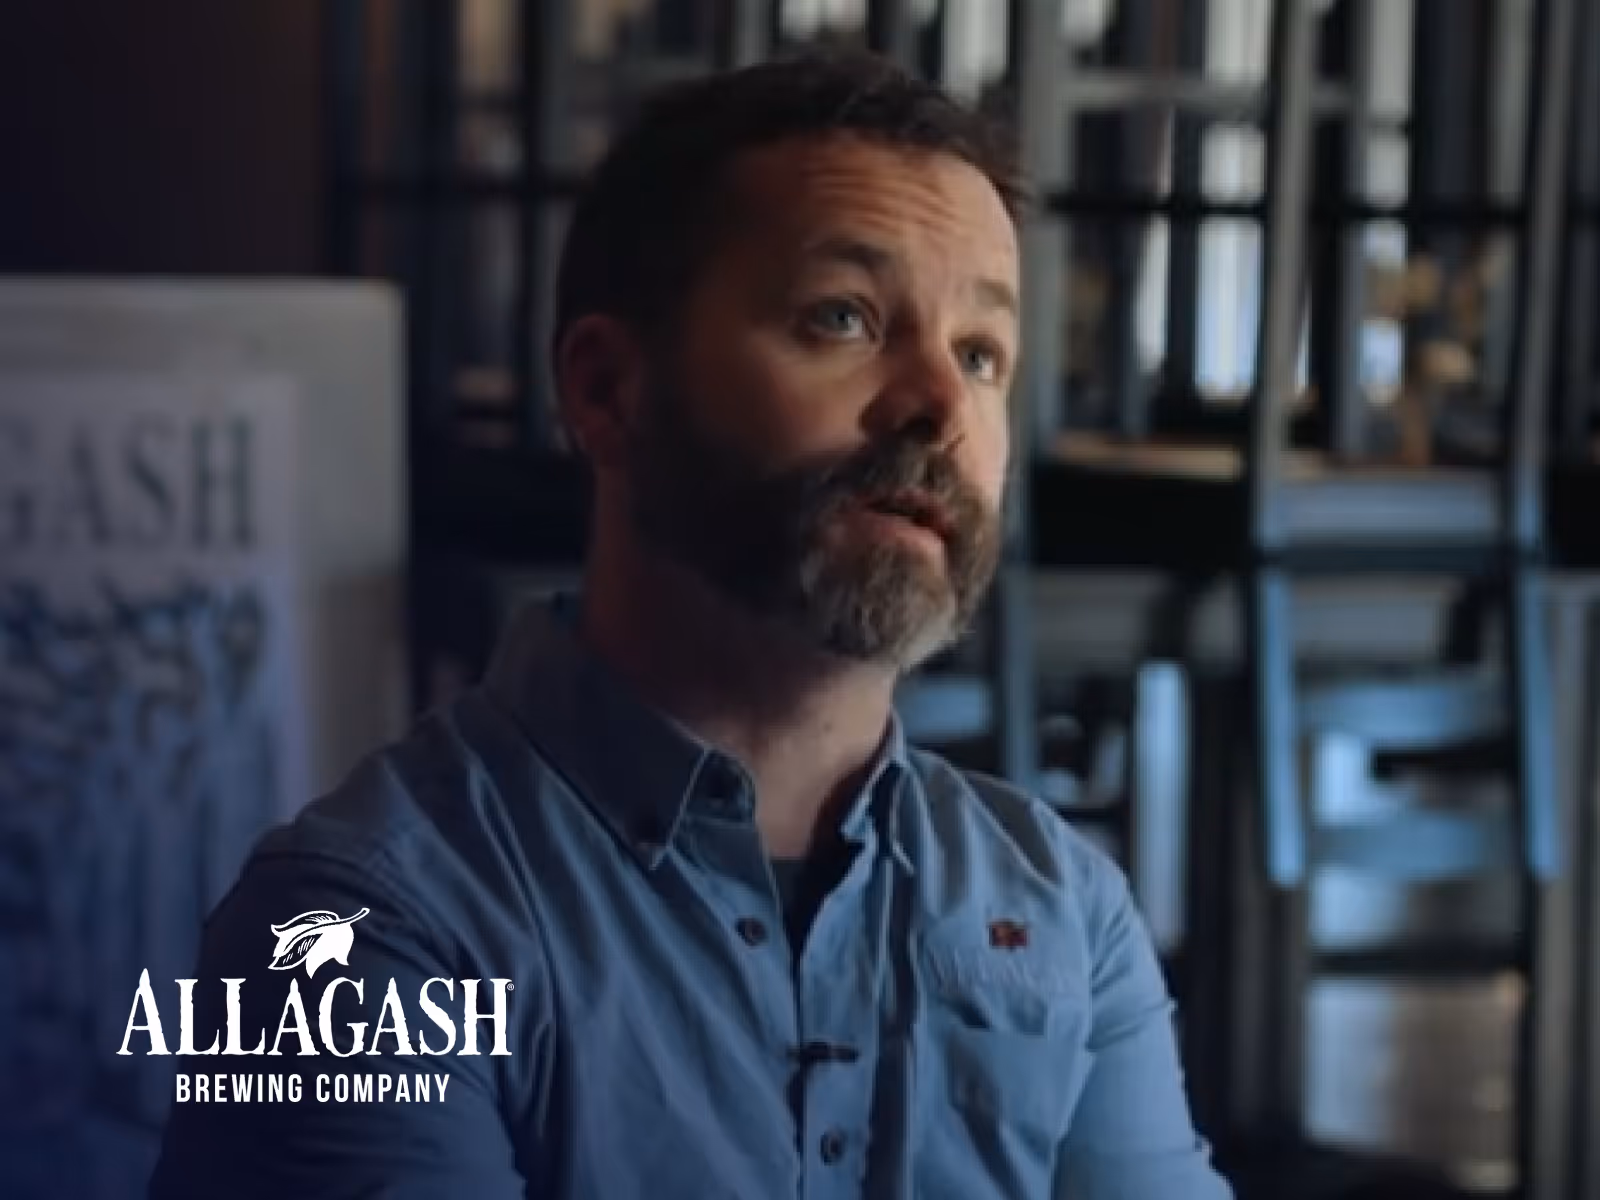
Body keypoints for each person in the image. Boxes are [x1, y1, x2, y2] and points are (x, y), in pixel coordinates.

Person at [148, 50, 1230, 1200]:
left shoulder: (1060, 908)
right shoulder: (348, 936)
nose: (938, 402)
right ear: (611, 392)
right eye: (844, 316)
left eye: (980, 353)